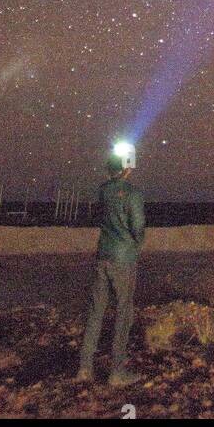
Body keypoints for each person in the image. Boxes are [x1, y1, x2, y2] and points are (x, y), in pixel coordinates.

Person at [76, 150, 146, 386]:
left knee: (96, 311)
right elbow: (138, 226)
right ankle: (117, 372)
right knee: (123, 313)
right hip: (123, 259)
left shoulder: (103, 190)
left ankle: (85, 368)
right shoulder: (133, 194)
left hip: (103, 254)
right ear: (127, 167)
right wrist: (135, 243)